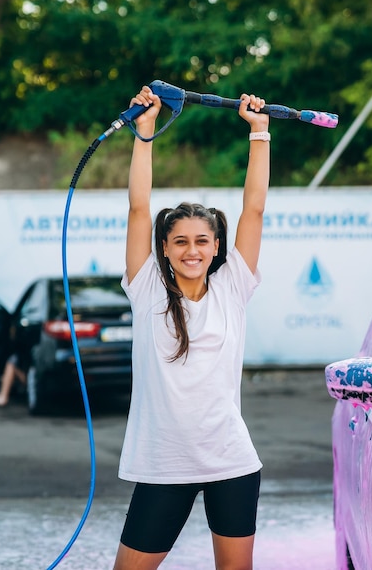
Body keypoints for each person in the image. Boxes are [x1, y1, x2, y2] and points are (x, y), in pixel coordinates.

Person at [113, 85, 270, 570]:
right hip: (164, 466)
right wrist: (145, 133)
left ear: (217, 245)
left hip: (231, 462)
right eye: (179, 241)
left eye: (202, 241)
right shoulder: (146, 289)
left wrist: (259, 134)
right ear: (164, 247)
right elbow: (140, 208)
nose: (192, 250)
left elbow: (254, 210)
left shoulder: (233, 287)